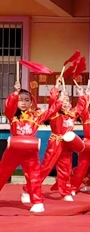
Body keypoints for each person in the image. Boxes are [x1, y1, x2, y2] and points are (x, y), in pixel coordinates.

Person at [0, 80, 61, 213]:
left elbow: (52, 110)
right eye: (20, 100)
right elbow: (8, 106)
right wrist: (15, 93)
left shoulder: (36, 116)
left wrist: (56, 89)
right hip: (13, 150)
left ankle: (37, 202)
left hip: (30, 151)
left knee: (34, 176)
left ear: (31, 103)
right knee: (2, 173)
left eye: (26, 100)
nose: (23, 102)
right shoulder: (12, 115)